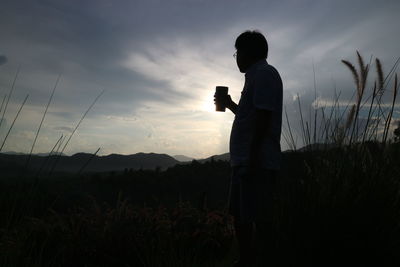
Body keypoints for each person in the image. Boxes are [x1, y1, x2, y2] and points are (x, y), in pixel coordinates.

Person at [215, 30, 283, 267]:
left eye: (237, 52)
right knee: (241, 215)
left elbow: (264, 119)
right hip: (247, 160)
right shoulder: (256, 76)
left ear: (246, 52)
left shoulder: (264, 74)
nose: (236, 58)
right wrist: (232, 105)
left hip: (256, 161)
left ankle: (260, 260)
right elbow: (252, 116)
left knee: (259, 218)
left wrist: (253, 158)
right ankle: (247, 260)